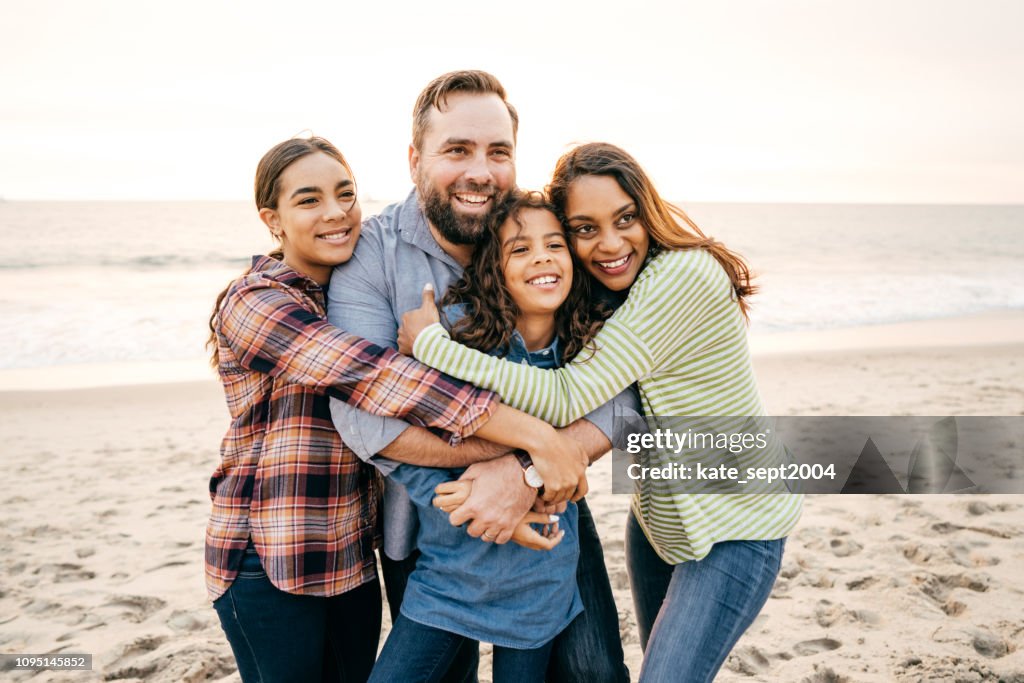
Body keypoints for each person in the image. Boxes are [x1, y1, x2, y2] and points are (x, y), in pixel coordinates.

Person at [400, 142, 805, 683]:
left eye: (626, 219)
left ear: (648, 212)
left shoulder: (680, 277)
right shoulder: (618, 289)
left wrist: (433, 345)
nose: (610, 243)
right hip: (660, 520)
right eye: (585, 230)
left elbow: (568, 396)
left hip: (738, 525)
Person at [205, 136, 588, 683]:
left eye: (345, 193)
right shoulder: (255, 302)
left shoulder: (342, 287)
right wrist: (538, 438)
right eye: (309, 200)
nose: (336, 213)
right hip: (270, 556)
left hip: (352, 553)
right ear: (274, 219)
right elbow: (377, 378)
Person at [328, 71, 632, 683]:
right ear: (415, 159)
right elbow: (362, 417)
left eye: (498, 152)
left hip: (550, 507)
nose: (481, 171)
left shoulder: (541, 239)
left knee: (593, 674)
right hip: (427, 525)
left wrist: (527, 472)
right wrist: (532, 444)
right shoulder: (373, 255)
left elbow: (624, 392)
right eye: (457, 150)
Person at [369, 191, 631, 682]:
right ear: (495, 268)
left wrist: (532, 487)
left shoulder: (587, 361)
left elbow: (576, 465)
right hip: (449, 577)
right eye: (520, 249)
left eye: (555, 244)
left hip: (540, 579)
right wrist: (461, 501)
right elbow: (408, 454)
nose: (542, 258)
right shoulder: (464, 346)